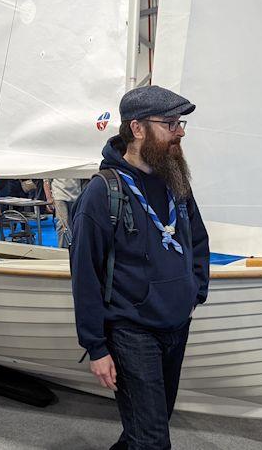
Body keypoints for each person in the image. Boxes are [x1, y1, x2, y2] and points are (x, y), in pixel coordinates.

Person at [70, 85, 210, 449]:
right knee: (151, 440)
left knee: (149, 426)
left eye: (180, 124)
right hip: (131, 332)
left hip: (176, 326)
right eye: (170, 123)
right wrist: (97, 347)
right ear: (137, 129)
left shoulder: (174, 178)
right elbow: (85, 274)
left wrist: (195, 290)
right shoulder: (103, 193)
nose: (179, 132)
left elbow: (197, 239)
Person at [44, 178, 86, 247]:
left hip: (76, 195)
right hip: (59, 195)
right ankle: (62, 251)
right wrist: (49, 198)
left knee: (76, 225)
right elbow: (46, 180)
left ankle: (75, 250)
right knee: (62, 224)